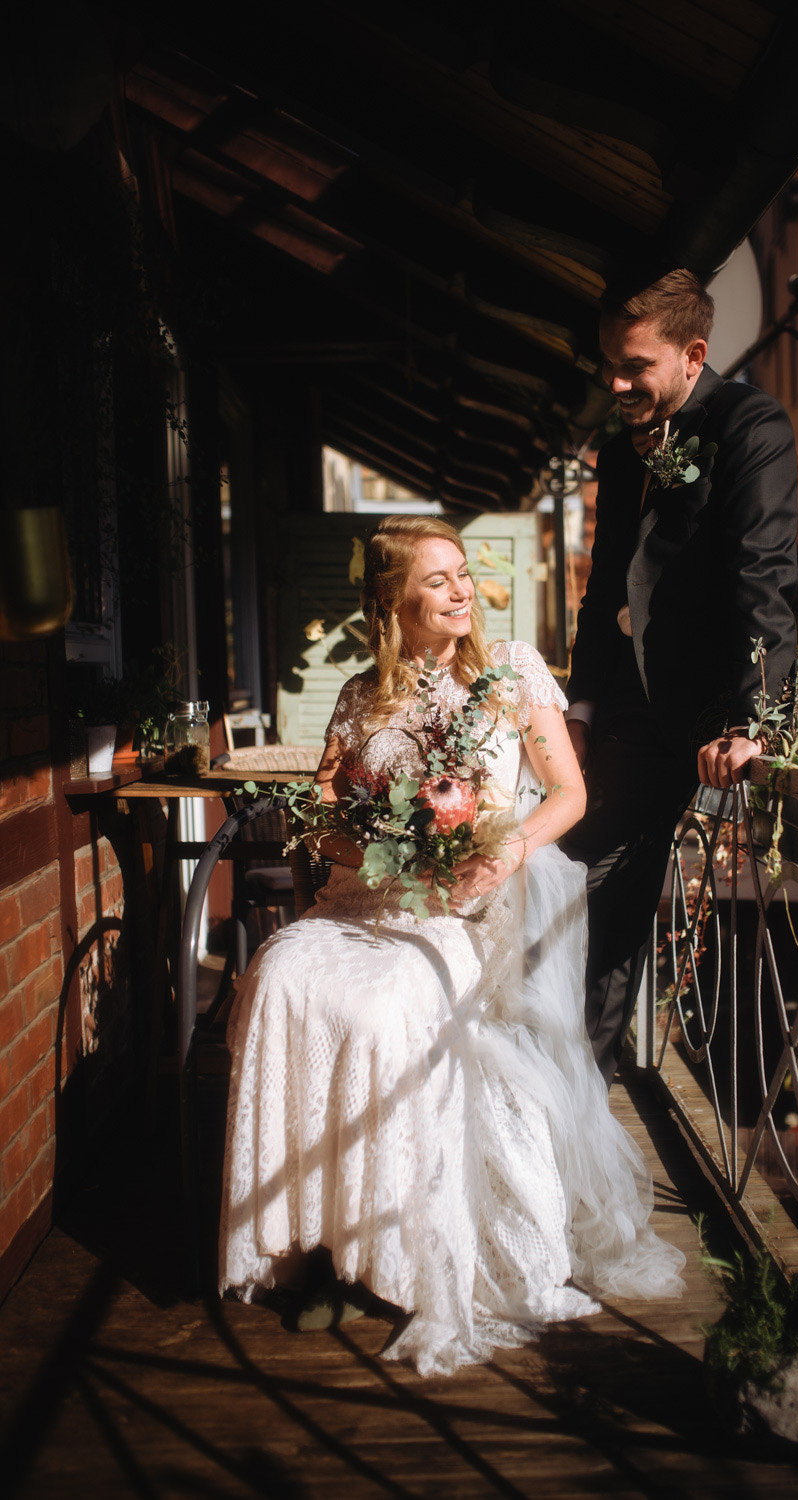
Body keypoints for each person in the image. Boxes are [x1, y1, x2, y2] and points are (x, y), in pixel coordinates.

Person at [219, 514, 684, 1377]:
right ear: (391, 600)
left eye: (464, 574)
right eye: (437, 580)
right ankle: (317, 1241)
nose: (462, 590)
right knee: (281, 973)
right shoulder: (363, 695)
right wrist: (371, 853)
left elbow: (568, 795)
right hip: (373, 898)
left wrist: (504, 848)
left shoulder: (509, 672)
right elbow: (324, 819)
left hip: (473, 904)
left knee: (389, 1004)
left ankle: (384, 1254)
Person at [564, 269, 798, 1087]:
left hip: (706, 722)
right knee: (583, 901)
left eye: (633, 365)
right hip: (625, 717)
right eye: (609, 362)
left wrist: (753, 722)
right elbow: (602, 586)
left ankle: (595, 1093)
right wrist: (581, 705)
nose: (615, 382)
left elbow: (761, 575)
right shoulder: (619, 449)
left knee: (631, 915)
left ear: (694, 354)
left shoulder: (752, 427)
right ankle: (576, 1093)